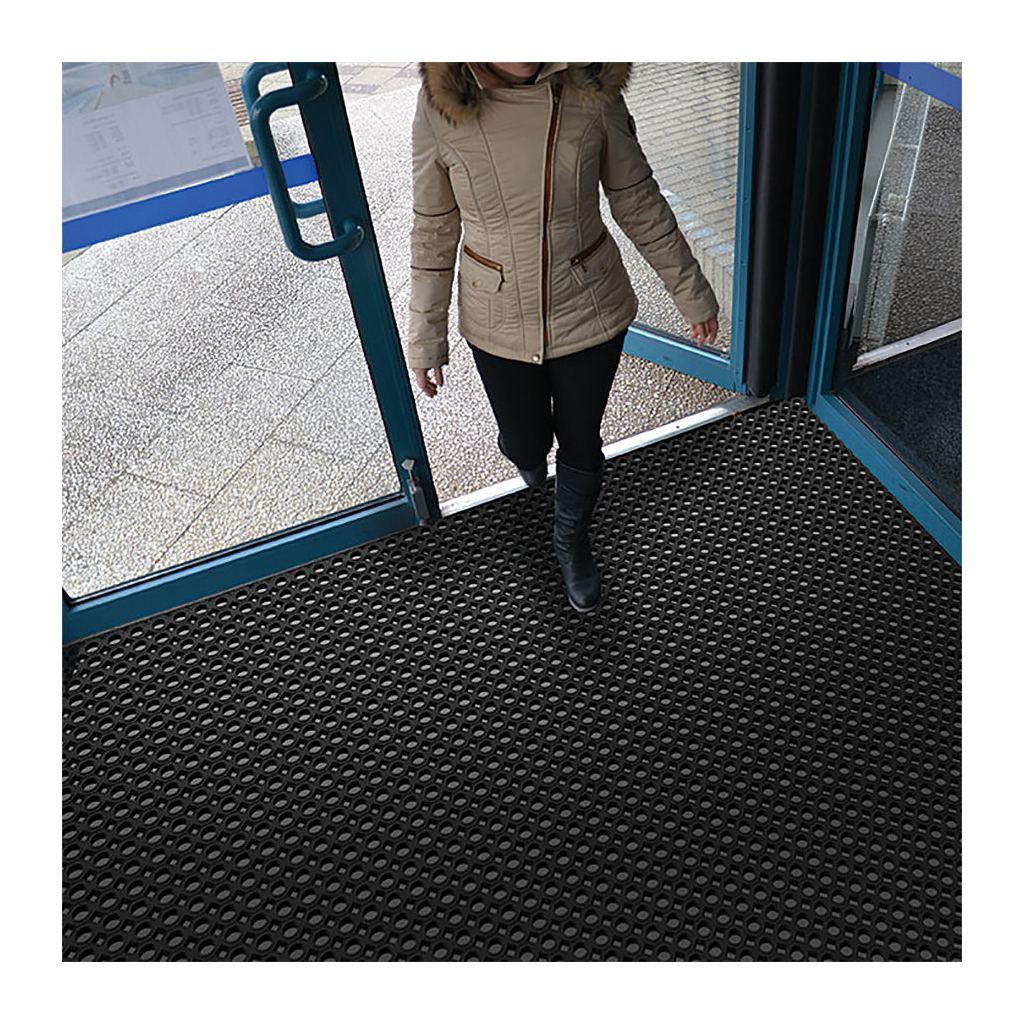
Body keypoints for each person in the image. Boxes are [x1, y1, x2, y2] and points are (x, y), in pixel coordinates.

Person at [407, 62, 719, 613]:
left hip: (588, 306)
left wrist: (690, 290)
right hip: (497, 314)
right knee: (525, 443)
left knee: (581, 439)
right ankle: (526, 459)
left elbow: (637, 199)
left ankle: (570, 542)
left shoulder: (593, 88)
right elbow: (434, 227)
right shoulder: (441, 101)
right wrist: (425, 335)